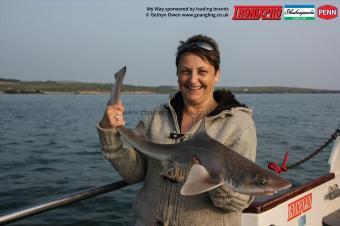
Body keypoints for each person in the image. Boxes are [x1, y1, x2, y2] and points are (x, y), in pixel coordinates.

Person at [97, 34, 257, 226]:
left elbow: (237, 202)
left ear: (217, 74)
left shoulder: (238, 124)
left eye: (202, 72)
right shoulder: (156, 115)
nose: (193, 79)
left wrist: (214, 174)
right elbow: (134, 174)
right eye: (185, 71)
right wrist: (110, 132)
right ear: (177, 74)